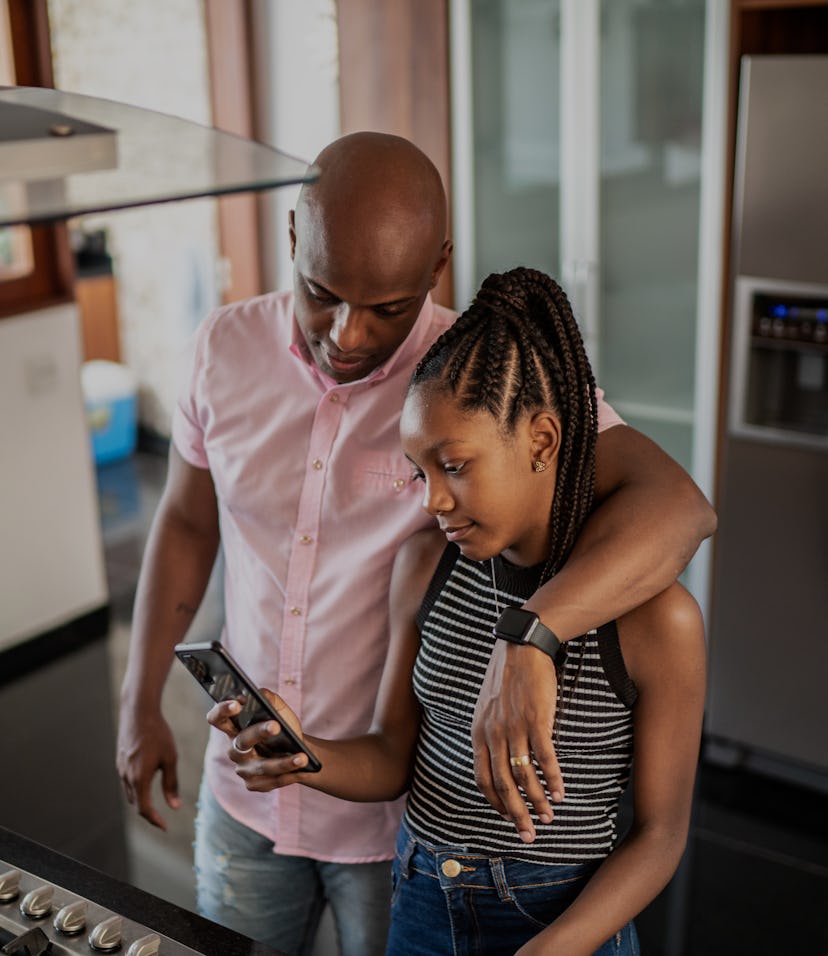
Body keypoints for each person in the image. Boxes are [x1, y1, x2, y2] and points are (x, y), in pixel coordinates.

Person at [116, 132, 715, 956]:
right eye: (321, 292)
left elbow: (678, 504)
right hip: (266, 800)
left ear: (438, 265)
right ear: (292, 239)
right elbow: (186, 523)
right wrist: (139, 697)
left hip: (398, 840)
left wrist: (531, 636)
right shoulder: (223, 350)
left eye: (387, 309)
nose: (349, 335)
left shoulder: (480, 375)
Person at [209, 267, 707, 956]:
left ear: (541, 441)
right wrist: (306, 756)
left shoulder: (658, 620)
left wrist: (551, 949)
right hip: (418, 898)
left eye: (456, 466)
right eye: (420, 472)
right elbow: (392, 756)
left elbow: (661, 836)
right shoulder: (424, 569)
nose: (431, 501)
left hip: (560, 921)